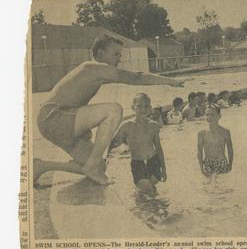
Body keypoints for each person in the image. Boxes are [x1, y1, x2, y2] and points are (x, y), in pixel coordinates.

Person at [34, 34, 184, 186]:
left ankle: (43, 166)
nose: (118, 59)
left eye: (120, 55)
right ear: (100, 53)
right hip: (53, 118)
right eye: (115, 54)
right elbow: (135, 78)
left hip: (60, 124)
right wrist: (170, 82)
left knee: (100, 166)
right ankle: (91, 168)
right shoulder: (93, 67)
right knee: (114, 110)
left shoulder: (95, 70)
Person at [108, 93, 166, 197]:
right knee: (151, 192)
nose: (143, 109)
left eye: (146, 106)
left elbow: (159, 148)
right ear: (133, 107)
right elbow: (113, 144)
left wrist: (164, 169)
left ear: (150, 108)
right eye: (139, 106)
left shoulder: (154, 126)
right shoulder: (126, 126)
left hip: (154, 162)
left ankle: (142, 196)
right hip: (138, 164)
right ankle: (157, 209)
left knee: (148, 190)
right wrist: (105, 160)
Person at [197, 104, 233, 176]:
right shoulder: (202, 133)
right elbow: (199, 152)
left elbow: (230, 149)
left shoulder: (225, 132)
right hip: (208, 163)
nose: (209, 117)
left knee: (223, 185)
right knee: (208, 185)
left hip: (222, 162)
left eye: (212, 115)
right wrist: (201, 168)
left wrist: (230, 164)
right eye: (207, 115)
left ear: (219, 116)